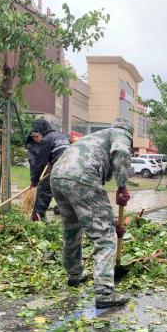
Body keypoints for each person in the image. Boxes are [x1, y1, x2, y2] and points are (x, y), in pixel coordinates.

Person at [51, 118, 133, 309]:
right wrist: (122, 186)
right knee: (105, 235)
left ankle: (74, 274)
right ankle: (105, 291)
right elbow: (121, 151)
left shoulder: (95, 137)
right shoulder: (120, 134)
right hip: (81, 176)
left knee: (72, 228)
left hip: (58, 176)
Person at [25, 119, 69, 221]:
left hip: (59, 170)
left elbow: (40, 164)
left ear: (41, 131)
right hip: (70, 169)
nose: (37, 139)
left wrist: (34, 182)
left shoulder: (47, 140)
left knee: (43, 190)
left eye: (37, 135)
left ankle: (36, 217)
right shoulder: (61, 136)